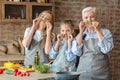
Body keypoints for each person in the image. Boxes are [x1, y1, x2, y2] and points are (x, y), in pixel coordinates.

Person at [68, 7, 114, 80]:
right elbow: (76, 52)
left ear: (96, 18)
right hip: (84, 74)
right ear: (83, 20)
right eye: (86, 18)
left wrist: (98, 31)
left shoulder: (106, 33)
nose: (89, 20)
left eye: (92, 17)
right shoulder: (80, 35)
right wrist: (80, 32)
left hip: (102, 74)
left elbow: (106, 49)